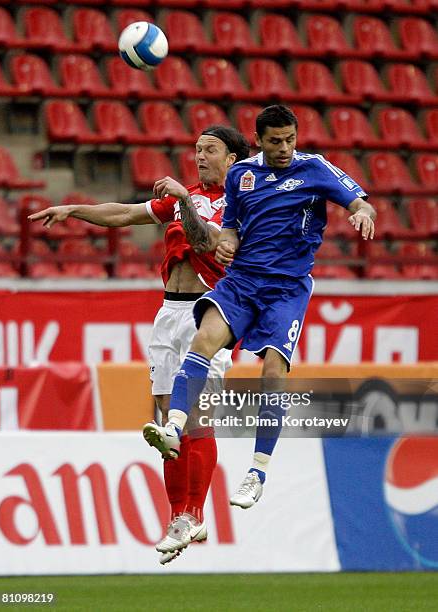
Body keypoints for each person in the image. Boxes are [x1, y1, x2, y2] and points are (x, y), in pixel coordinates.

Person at [142, 105, 377, 531]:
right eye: (275, 141)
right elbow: (230, 226)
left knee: (272, 372)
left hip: (286, 288)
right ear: (259, 140)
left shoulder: (316, 169)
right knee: (204, 340)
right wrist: (228, 241)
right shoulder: (241, 176)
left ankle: (257, 471)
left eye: (290, 139)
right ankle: (174, 427)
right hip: (243, 281)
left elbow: (361, 203)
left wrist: (361, 213)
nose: (285, 148)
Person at [28, 125, 251, 564]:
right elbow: (124, 214)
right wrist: (75, 208)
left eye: (211, 150)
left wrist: (184, 203)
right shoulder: (184, 194)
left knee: (197, 419)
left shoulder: (243, 203)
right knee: (168, 423)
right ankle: (177, 517)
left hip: (212, 314)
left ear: (233, 160)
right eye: (197, 149)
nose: (200, 156)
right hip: (169, 313)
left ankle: (196, 512)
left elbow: (209, 242)